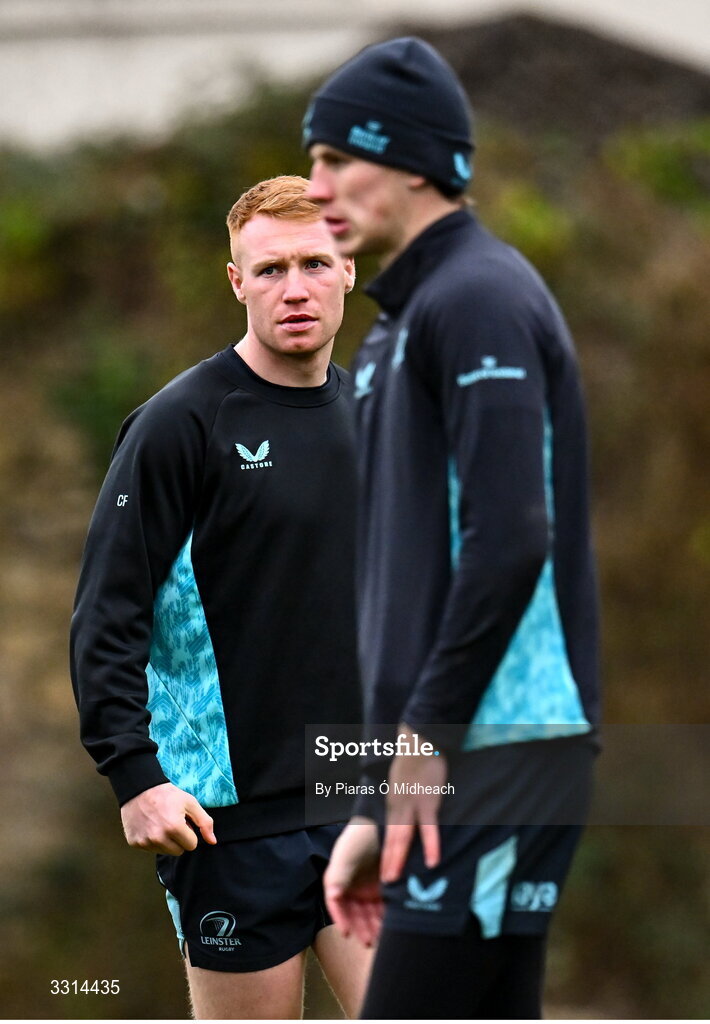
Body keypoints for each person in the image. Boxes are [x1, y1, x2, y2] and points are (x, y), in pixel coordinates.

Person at [303, 37, 601, 1019]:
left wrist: (421, 748)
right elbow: (398, 591)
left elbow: (513, 535)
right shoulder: (400, 322)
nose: (317, 185)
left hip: (498, 751)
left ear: (416, 160)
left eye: (338, 157)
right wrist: (367, 801)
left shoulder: (478, 298)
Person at [70, 175, 373, 1020]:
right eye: (269, 269)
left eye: (316, 262)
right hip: (229, 826)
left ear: (349, 268)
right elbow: (107, 613)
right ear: (236, 281)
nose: (296, 287)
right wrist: (135, 778)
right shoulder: (181, 425)